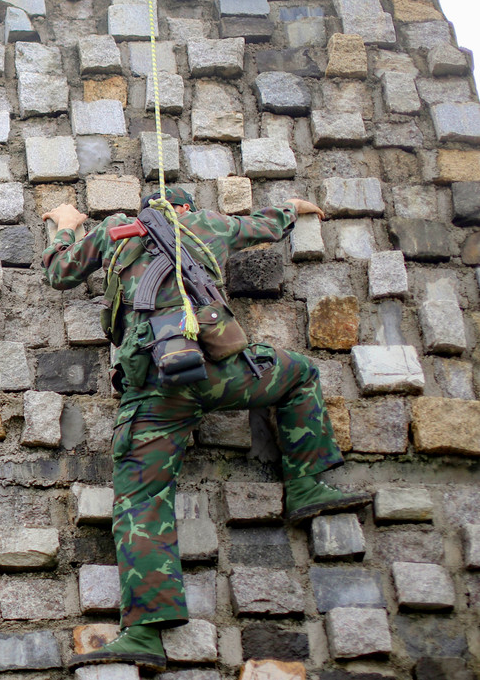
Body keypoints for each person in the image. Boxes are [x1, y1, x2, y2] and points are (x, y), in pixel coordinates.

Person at [41, 187, 370, 670]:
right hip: (219, 372)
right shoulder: (210, 225)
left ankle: (146, 634)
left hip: (154, 389)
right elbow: (262, 226)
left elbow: (59, 271)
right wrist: (290, 209)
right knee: (299, 373)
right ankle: (304, 484)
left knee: (141, 501)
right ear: (187, 209)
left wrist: (66, 223)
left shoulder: (114, 232)